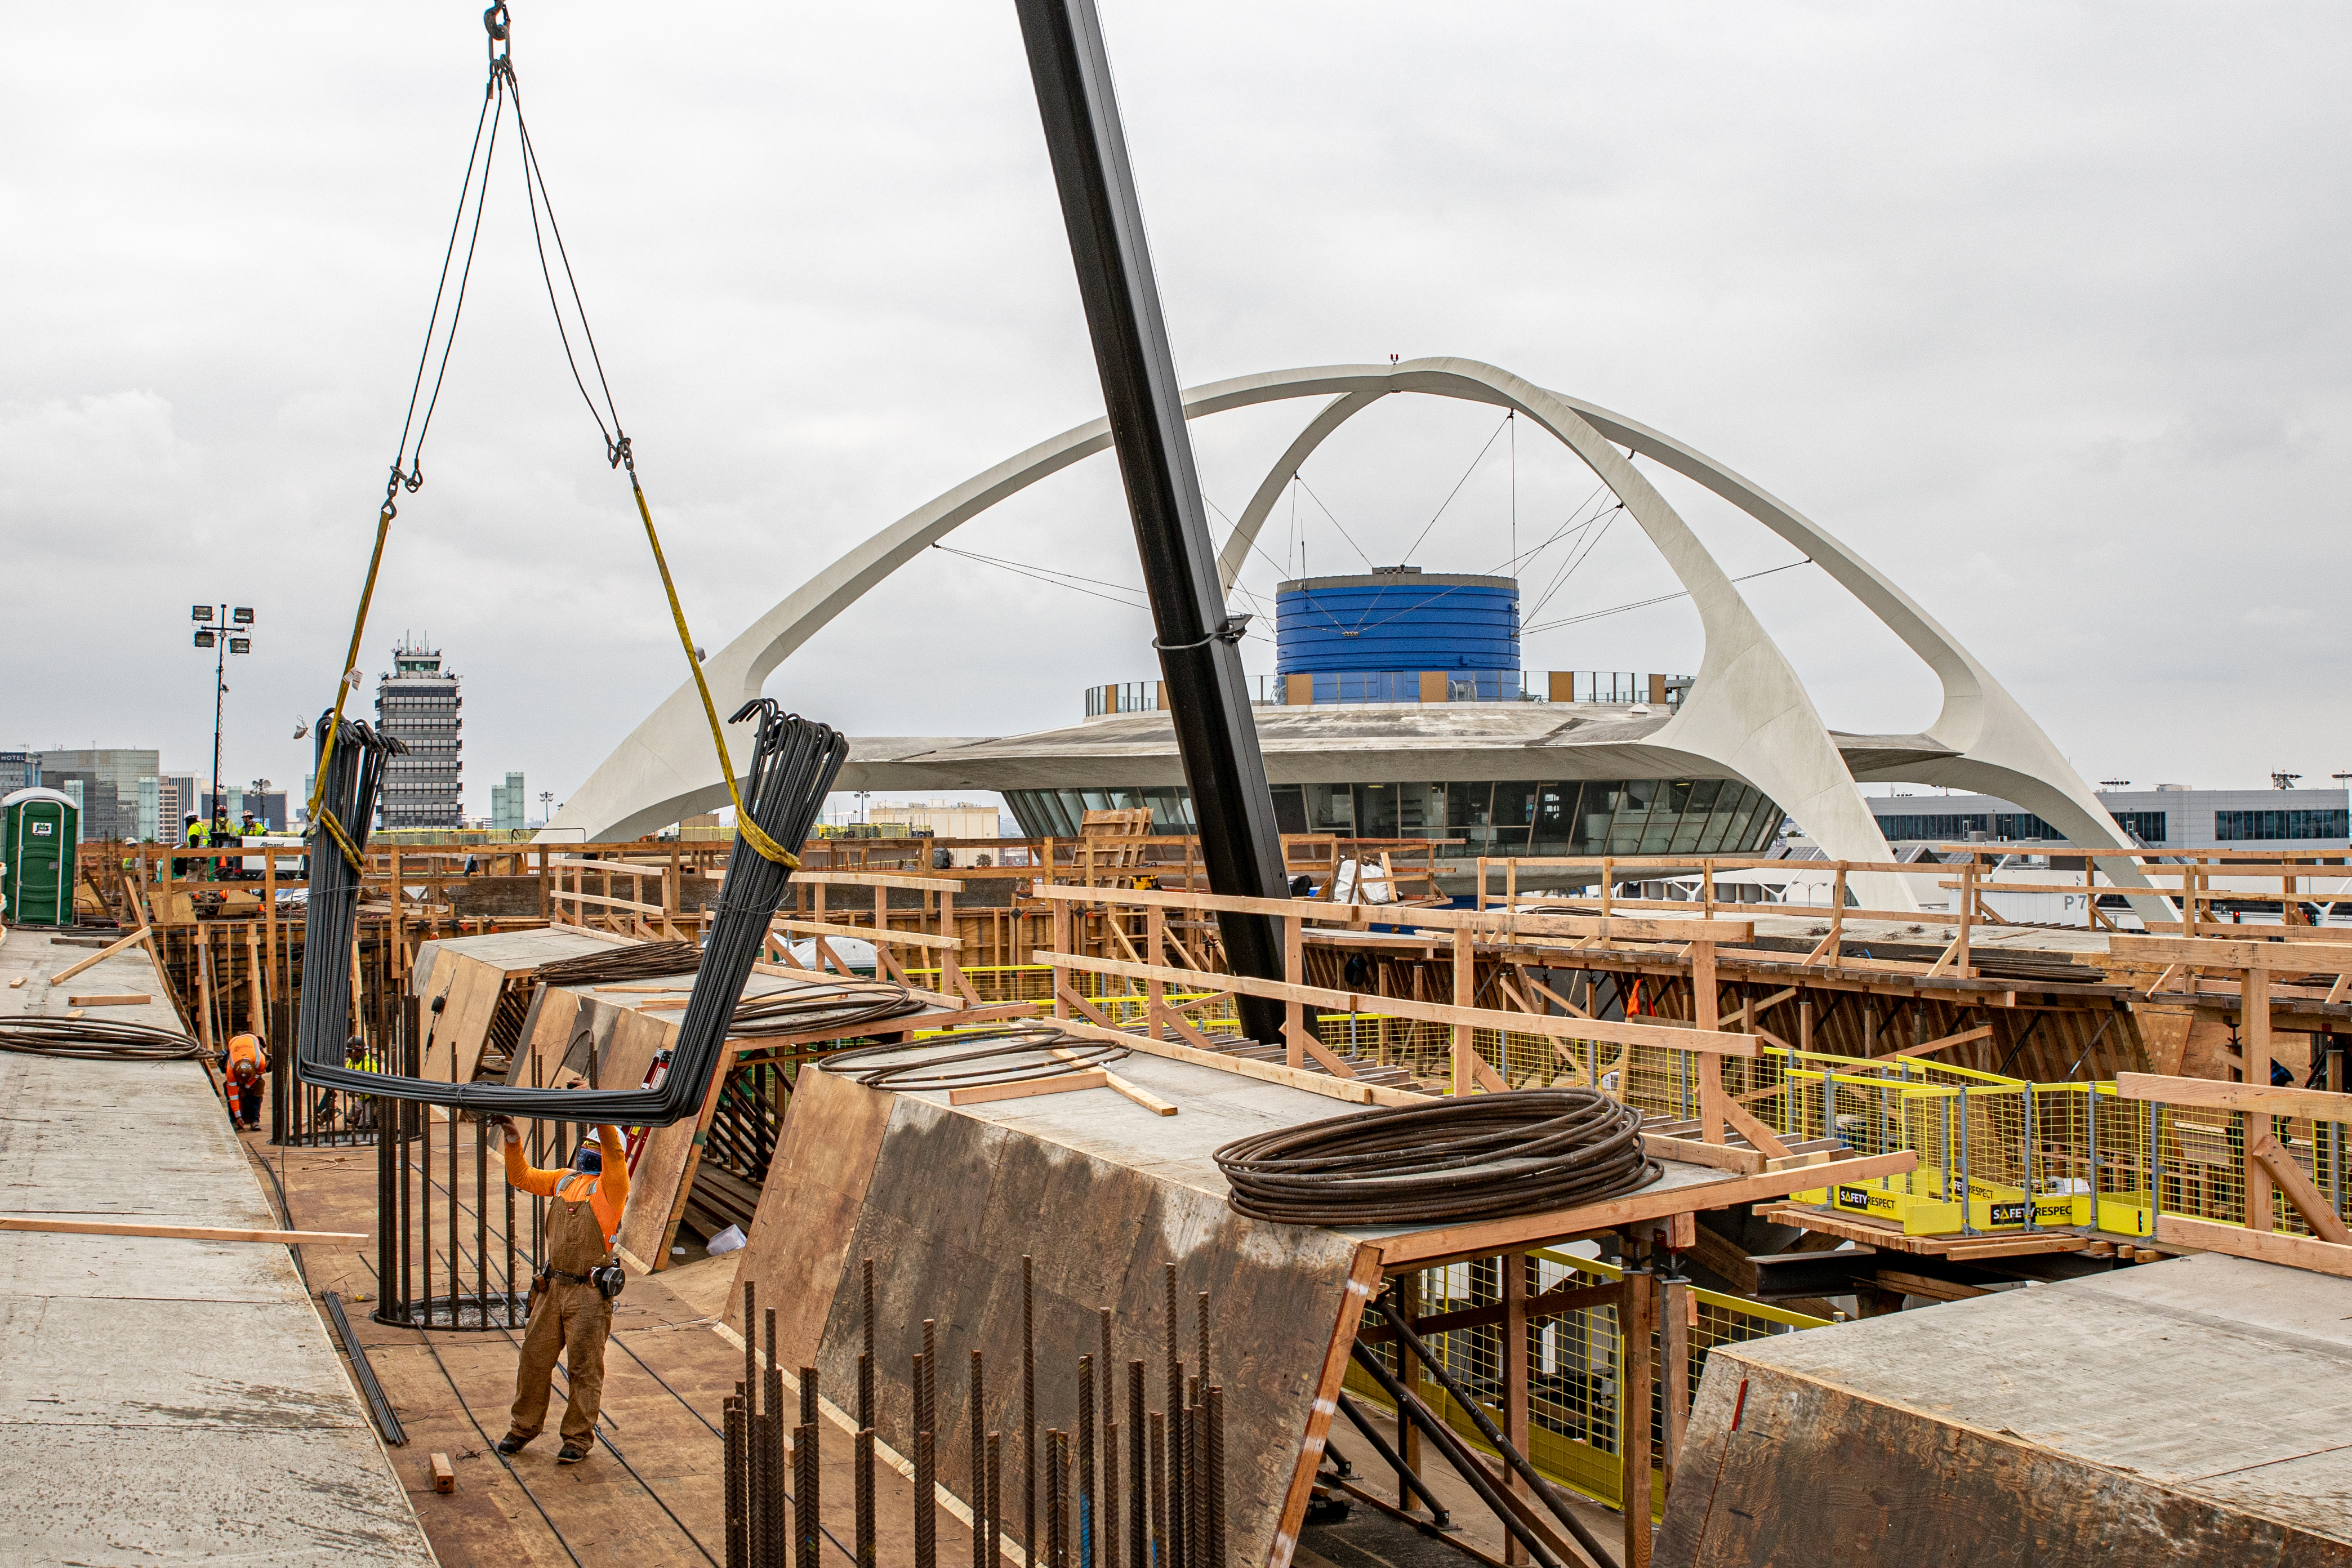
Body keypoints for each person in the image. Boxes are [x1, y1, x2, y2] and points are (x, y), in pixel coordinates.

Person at [492, 1117, 630, 1464]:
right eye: (586, 1145)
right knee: (534, 1359)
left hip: (588, 1294)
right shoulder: (564, 1180)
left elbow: (614, 1151)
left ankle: (577, 1438)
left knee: (584, 1368)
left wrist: (600, 1116)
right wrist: (512, 1140)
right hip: (553, 1287)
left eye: (594, 1148)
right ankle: (523, 1428)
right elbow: (520, 1177)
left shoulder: (613, 1189)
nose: (587, 1151)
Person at [222, 1032, 269, 1131]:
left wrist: (246, 1086)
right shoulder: (231, 1069)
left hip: (251, 1043)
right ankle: (235, 1121)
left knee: (258, 1086)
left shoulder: (260, 1061)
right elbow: (233, 1096)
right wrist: (238, 1116)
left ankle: (254, 1121)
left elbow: (259, 1074)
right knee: (228, 1088)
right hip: (235, 1045)